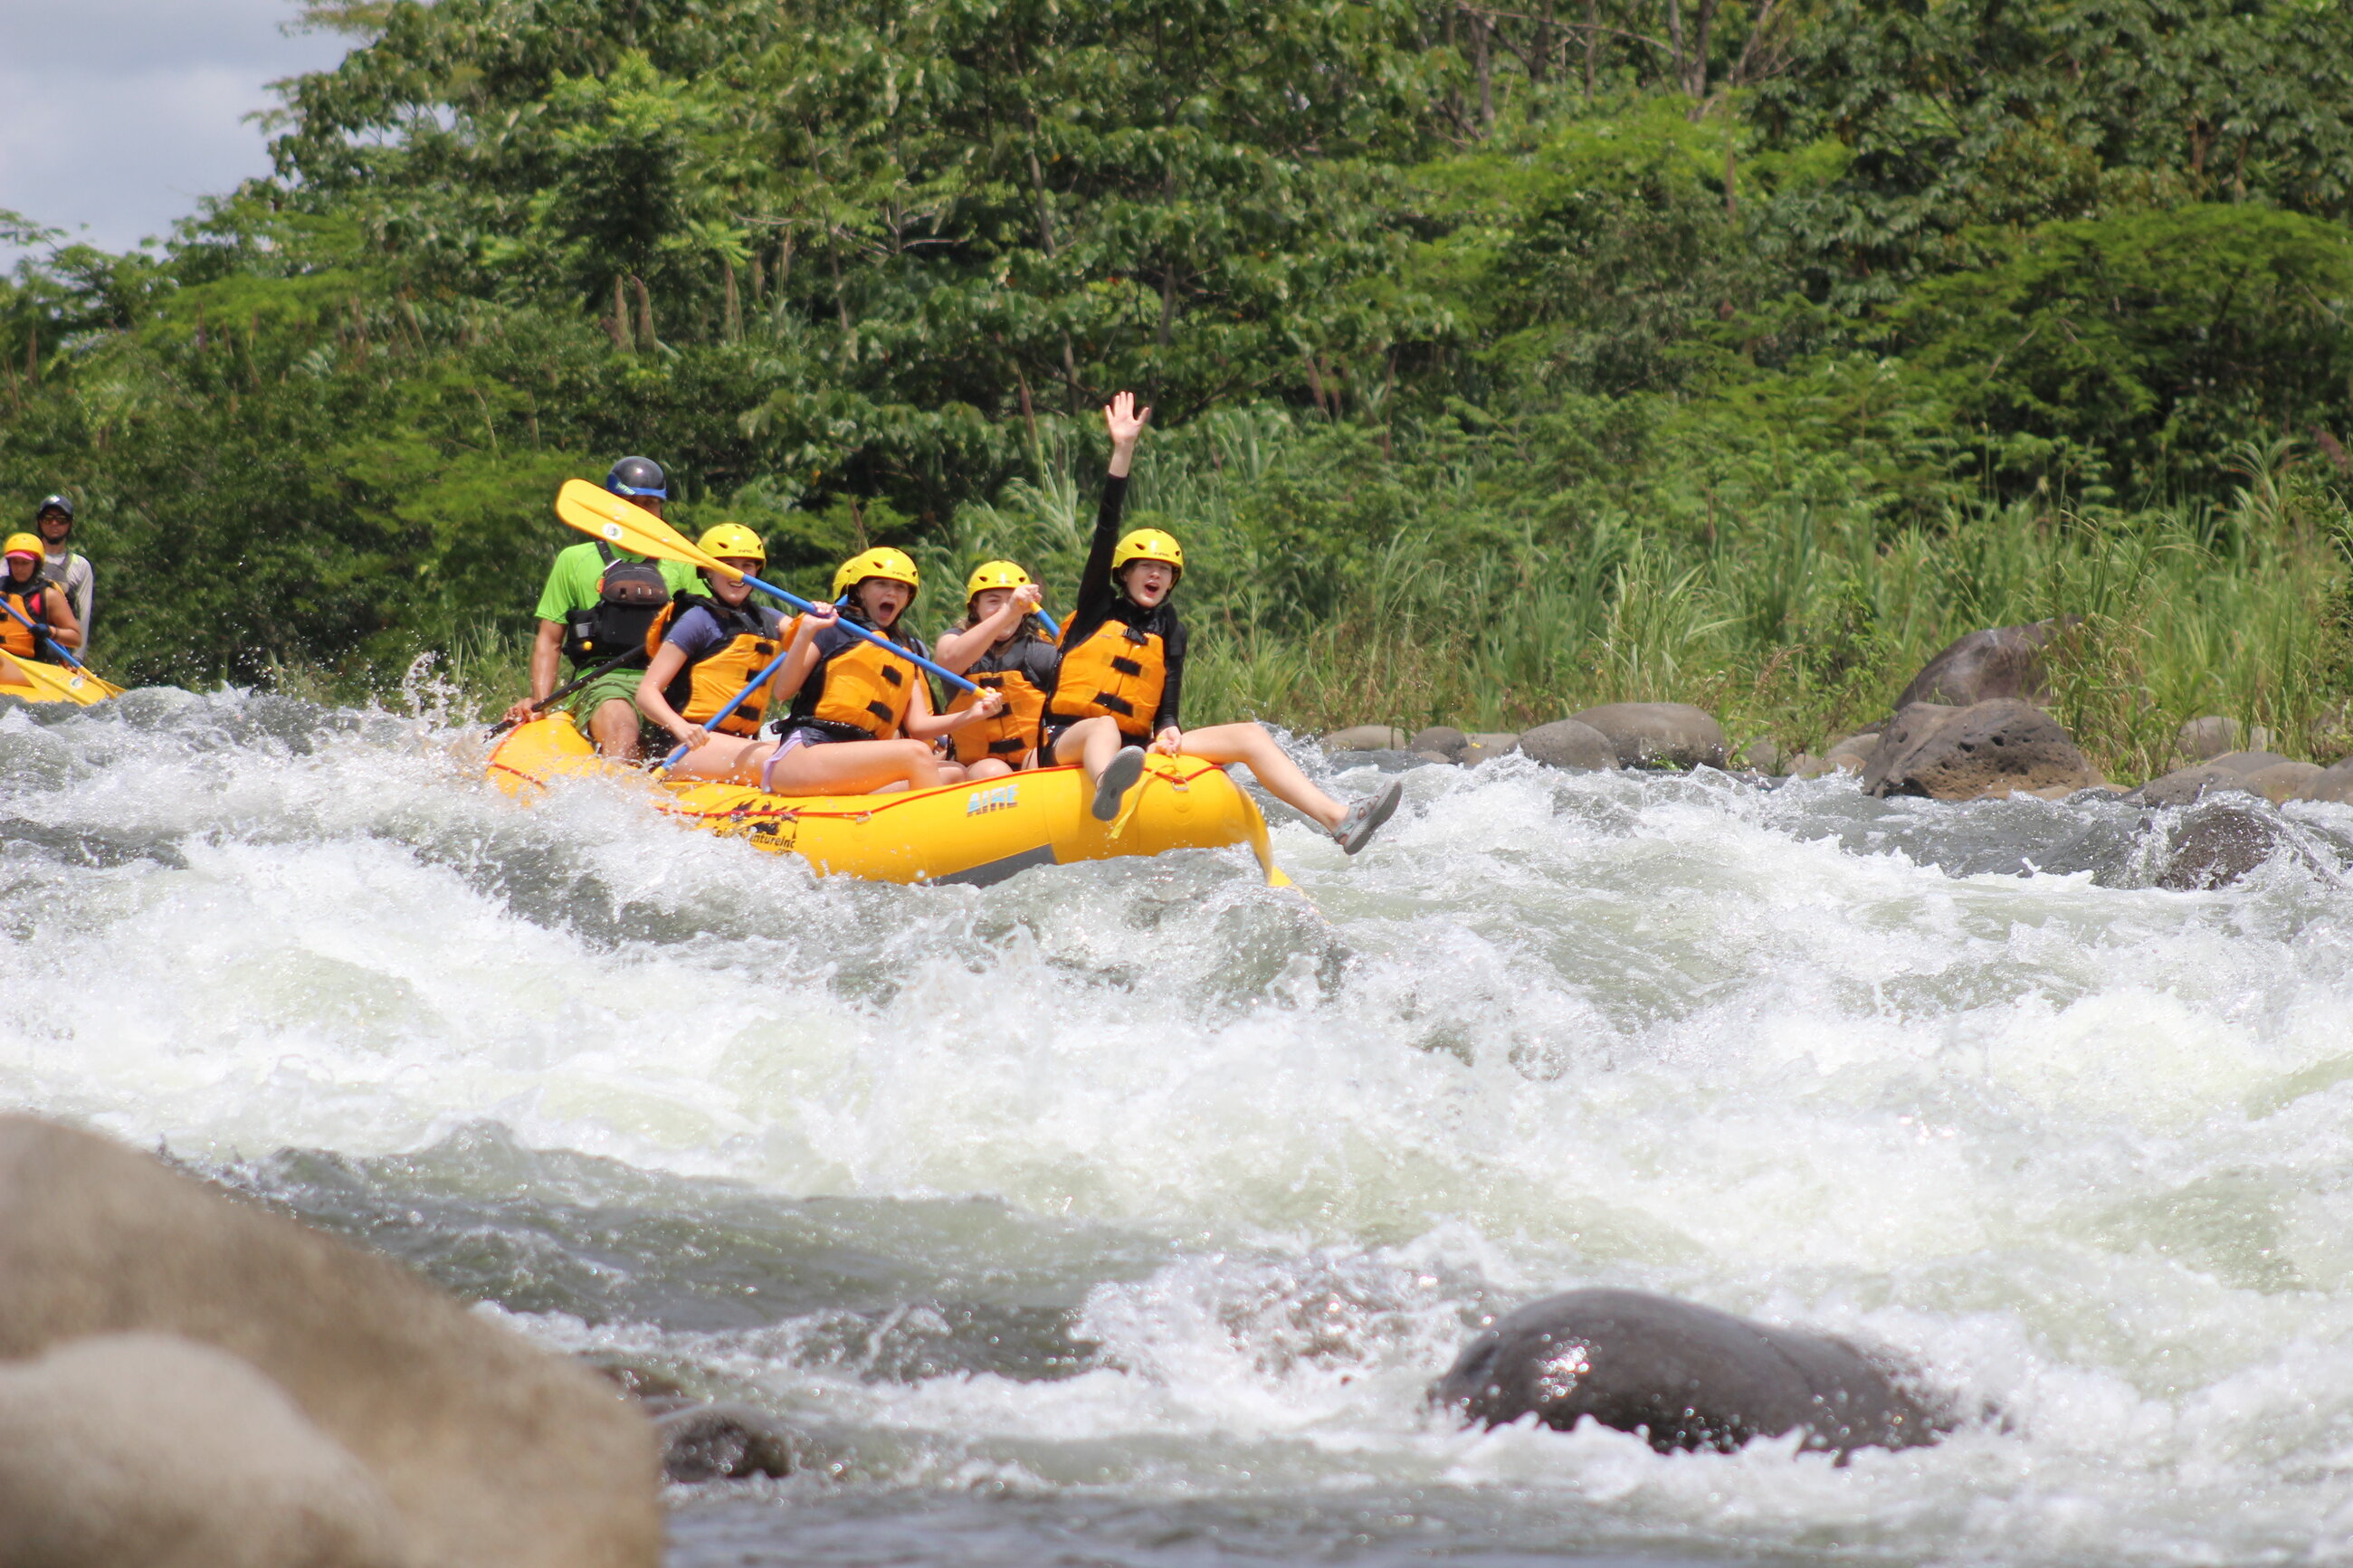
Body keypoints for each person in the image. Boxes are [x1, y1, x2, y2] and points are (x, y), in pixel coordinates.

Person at [1043, 393, 1403, 852]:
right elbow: (1106, 527)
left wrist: (1170, 730)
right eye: (1145, 567)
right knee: (1105, 729)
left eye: (1165, 571)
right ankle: (1106, 791)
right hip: (1068, 739)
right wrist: (1122, 451)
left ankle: (1339, 818)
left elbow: (1166, 708)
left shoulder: (1171, 629)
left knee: (1250, 736)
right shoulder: (1096, 607)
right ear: (1124, 573)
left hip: (1136, 751)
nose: (1156, 575)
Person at [500, 457, 707, 759]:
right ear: (611, 506)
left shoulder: (685, 562)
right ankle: (621, 797)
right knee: (623, 730)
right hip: (602, 682)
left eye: (649, 504)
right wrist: (542, 704)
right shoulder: (574, 559)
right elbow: (549, 639)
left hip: (669, 683)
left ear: (661, 509)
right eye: (630, 503)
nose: (641, 512)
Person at [754, 547, 1005, 795]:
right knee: (914, 752)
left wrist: (972, 714)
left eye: (900, 588)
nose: (891, 593)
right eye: (881, 584)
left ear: (908, 598)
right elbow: (783, 690)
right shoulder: (833, 627)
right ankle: (935, 830)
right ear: (860, 590)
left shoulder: (904, 652)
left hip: (857, 761)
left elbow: (919, 725)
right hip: (807, 752)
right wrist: (807, 631)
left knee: (954, 772)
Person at [635, 525, 795, 781]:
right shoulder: (698, 620)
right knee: (783, 760)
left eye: (747, 566)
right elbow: (646, 693)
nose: (738, 574)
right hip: (686, 747)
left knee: (799, 755)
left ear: (757, 571)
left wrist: (820, 620)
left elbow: (806, 636)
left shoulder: (769, 620)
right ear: (707, 569)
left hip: (738, 745)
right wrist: (681, 727)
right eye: (728, 564)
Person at [931, 561, 1059, 780]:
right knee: (991, 769)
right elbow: (949, 663)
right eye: (993, 601)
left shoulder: (1040, 650)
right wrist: (1009, 612)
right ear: (974, 607)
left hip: (1030, 762)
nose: (1003, 608)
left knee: (1040, 756)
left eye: (1012, 601)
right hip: (977, 767)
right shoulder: (954, 640)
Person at [0, 533, 82, 670]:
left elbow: (75, 638)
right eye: (15, 562)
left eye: (25, 563)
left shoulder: (49, 596)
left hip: (33, 668)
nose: (19, 568)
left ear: (36, 564)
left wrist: (50, 632)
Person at [32, 497, 93, 651]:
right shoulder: (19, 559)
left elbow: (83, 615)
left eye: (61, 519)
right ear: (40, 522)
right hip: (20, 647)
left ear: (70, 524)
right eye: (48, 519)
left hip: (59, 651)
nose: (54, 524)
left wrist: (77, 659)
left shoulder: (81, 566)